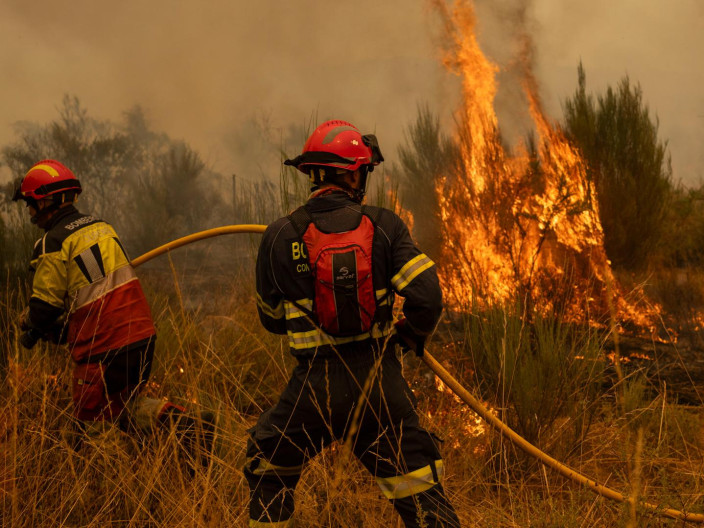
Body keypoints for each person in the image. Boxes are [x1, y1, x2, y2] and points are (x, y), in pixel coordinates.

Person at [246, 120, 461, 527]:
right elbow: (427, 296)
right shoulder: (385, 225)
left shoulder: (278, 235)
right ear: (350, 173)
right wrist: (409, 335)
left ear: (314, 175)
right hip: (379, 384)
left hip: (313, 388)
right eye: (363, 169)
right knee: (422, 494)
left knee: (269, 469)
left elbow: (271, 320)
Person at [12, 159, 211, 446]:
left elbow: (44, 309)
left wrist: (28, 321)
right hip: (141, 339)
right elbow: (92, 297)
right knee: (123, 408)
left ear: (46, 202)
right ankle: (190, 428)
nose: (30, 212)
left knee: (89, 433)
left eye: (30, 203)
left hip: (104, 349)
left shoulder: (52, 243)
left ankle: (103, 485)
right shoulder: (102, 227)